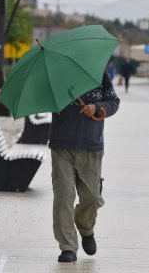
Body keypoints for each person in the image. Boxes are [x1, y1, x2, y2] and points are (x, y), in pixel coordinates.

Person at [49, 71, 120, 262]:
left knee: (93, 198)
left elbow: (114, 103)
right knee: (63, 196)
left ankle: (86, 227)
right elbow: (46, 101)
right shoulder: (55, 76)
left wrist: (96, 107)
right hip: (62, 146)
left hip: (91, 147)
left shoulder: (98, 74)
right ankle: (67, 247)